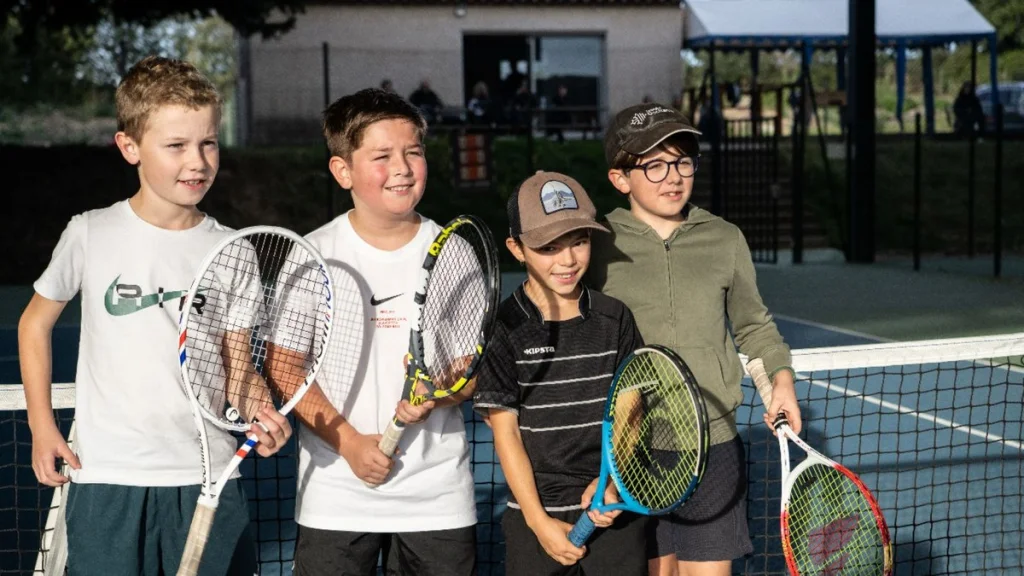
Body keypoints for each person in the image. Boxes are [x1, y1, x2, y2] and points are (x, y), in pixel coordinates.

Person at [19, 55, 292, 575]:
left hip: (208, 479)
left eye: (208, 142)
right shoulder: (90, 232)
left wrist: (260, 411)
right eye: (176, 146)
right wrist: (41, 426)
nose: (198, 161)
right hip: (107, 479)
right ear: (130, 148)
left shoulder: (234, 250)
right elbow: (34, 323)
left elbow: (238, 369)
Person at [588, 103, 803, 576]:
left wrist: (782, 380)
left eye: (683, 161)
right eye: (655, 164)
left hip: (714, 442)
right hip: (631, 446)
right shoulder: (596, 243)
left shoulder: (725, 239)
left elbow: (754, 326)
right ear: (621, 178)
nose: (674, 177)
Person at [289, 87, 477, 575]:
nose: (403, 167)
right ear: (342, 170)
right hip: (333, 495)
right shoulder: (313, 253)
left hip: (437, 497)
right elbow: (285, 368)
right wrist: (350, 443)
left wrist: (440, 392)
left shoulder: (454, 252)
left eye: (413, 152)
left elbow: (471, 371)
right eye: (382, 156)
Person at [474, 171, 648, 576]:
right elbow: (507, 433)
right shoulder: (504, 327)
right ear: (516, 249)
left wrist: (612, 481)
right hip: (535, 518)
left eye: (579, 241)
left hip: (612, 507)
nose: (568, 260)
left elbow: (631, 408)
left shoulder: (615, 317)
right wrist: (538, 523)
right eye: (548, 247)